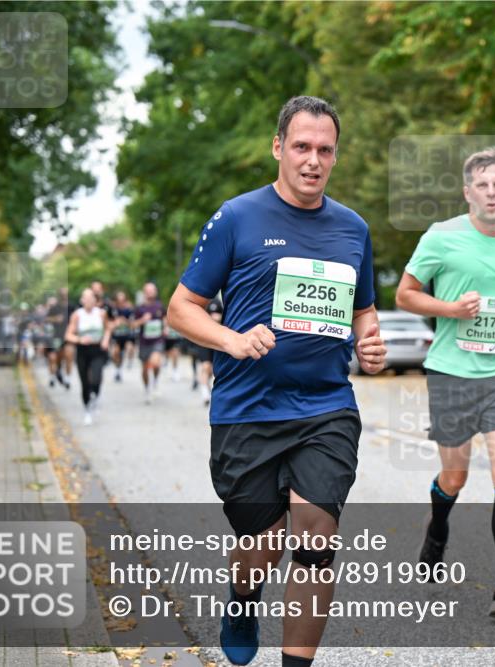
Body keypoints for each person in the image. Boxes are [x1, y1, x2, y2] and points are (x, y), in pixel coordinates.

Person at [167, 95, 385, 667]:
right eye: (302, 147)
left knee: (316, 537)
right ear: (278, 148)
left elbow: (364, 309)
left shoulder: (353, 229)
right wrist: (233, 340)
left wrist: (370, 339)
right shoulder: (237, 217)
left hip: (326, 406)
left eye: (325, 150)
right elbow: (181, 308)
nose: (313, 160)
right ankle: (242, 598)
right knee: (260, 547)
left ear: (336, 156)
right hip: (247, 408)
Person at [395, 147, 495, 619]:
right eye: (483, 185)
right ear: (467, 192)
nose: (492, 192)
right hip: (452, 370)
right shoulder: (441, 237)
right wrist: (451, 310)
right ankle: (437, 529)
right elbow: (406, 294)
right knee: (455, 475)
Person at [64, 288, 112, 425]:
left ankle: (95, 396)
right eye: (86, 298)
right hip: (83, 351)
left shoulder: (101, 313)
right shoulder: (77, 315)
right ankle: (87, 410)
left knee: (96, 378)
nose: (89, 301)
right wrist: (79, 340)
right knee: (85, 382)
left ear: (95, 300)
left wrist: (105, 340)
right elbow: (68, 335)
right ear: (82, 301)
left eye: (92, 298)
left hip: (97, 350)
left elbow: (108, 328)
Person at [186, 297, 224, 406]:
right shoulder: (199, 301)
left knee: (213, 369)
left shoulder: (218, 303)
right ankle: (205, 394)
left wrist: (218, 318)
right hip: (204, 338)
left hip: (217, 338)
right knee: (205, 366)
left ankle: (210, 390)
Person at [134, 282, 167, 404]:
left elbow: (165, 319)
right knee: (144, 369)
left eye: (152, 290)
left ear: (155, 292)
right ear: (144, 292)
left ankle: (156, 382)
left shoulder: (159, 306)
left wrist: (165, 327)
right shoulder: (139, 308)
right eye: (148, 290)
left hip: (157, 340)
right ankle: (147, 388)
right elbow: (132, 325)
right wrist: (142, 320)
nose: (150, 292)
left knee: (155, 362)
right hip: (144, 342)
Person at [110, 290, 135, 383]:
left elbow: (133, 324)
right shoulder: (113, 310)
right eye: (119, 300)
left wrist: (125, 321)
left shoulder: (129, 310)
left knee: (130, 348)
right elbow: (108, 322)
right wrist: (115, 323)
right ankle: (118, 369)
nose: (121, 302)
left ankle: (129, 360)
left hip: (127, 335)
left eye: (122, 300)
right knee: (115, 353)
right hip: (116, 336)